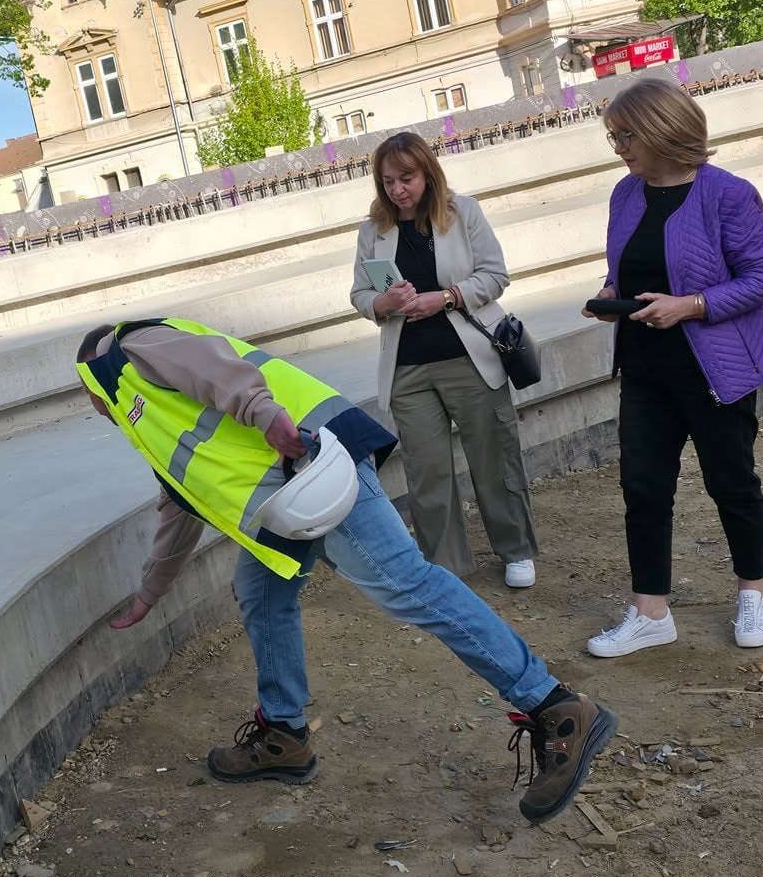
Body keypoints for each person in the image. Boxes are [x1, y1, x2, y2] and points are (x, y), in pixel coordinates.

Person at [75, 317, 614, 823]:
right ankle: (283, 734)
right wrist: (150, 592)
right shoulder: (138, 414)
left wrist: (268, 416)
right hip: (285, 491)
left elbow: (215, 367)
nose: (91, 408)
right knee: (260, 591)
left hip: (308, 461)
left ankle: (554, 706)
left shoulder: (131, 348)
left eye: (86, 399)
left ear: (89, 382)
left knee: (407, 585)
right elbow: (180, 503)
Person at [583, 77, 763, 658]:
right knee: (643, 487)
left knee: (732, 481)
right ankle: (651, 610)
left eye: (627, 135)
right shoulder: (625, 195)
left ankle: (754, 590)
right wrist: (610, 294)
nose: (620, 147)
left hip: (714, 369)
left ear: (661, 130)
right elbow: (627, 268)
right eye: (613, 137)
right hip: (646, 366)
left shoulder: (728, 193)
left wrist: (691, 306)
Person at [349, 131, 539, 588]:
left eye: (407, 178)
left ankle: (515, 549)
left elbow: (495, 275)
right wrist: (384, 303)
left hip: (470, 358)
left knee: (494, 458)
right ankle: (445, 565)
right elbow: (359, 294)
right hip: (407, 370)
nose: (398, 189)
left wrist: (448, 298)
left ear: (428, 173)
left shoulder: (462, 212)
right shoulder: (373, 229)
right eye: (389, 181)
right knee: (427, 472)